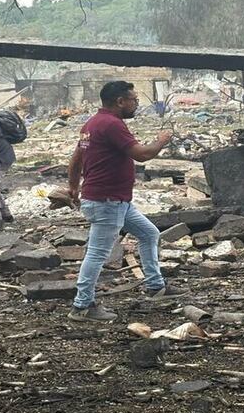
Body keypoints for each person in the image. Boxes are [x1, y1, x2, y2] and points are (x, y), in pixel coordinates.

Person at [67, 80, 184, 321]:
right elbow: (142, 155)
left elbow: (76, 158)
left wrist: (73, 188)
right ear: (120, 101)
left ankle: (155, 286)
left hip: (115, 200)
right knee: (98, 253)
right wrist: (162, 139)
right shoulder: (111, 124)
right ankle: (82, 306)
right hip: (107, 200)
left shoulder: (92, 123)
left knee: (149, 233)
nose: (136, 104)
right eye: (134, 100)